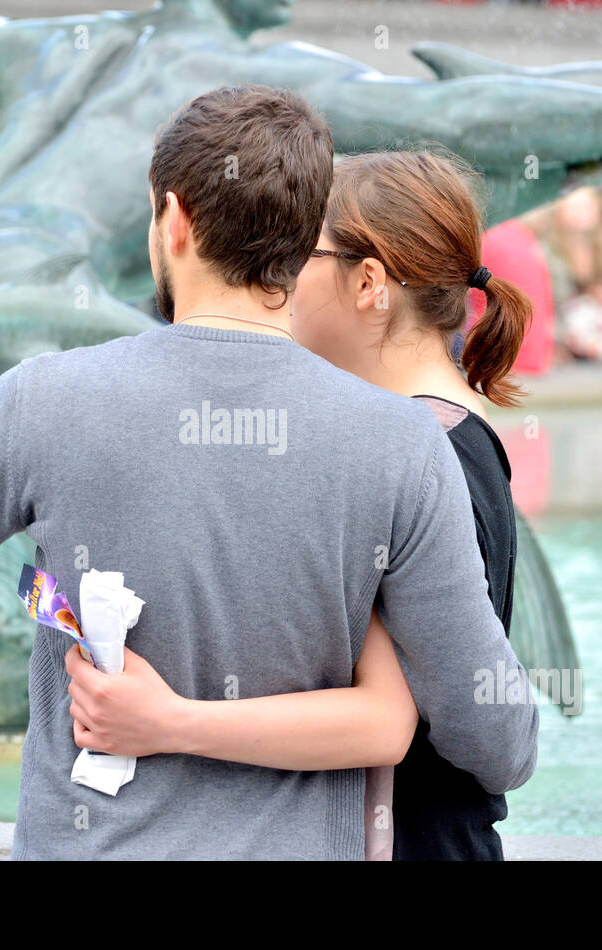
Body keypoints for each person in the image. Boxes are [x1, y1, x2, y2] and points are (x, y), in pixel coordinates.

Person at [0, 85, 538, 860]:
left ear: (174, 219)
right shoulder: (406, 444)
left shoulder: (43, 400)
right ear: (304, 232)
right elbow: (499, 741)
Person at [64, 148, 535, 860]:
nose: (274, 279)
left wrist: (167, 721)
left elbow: (473, 730)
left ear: (369, 283)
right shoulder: (451, 439)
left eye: (300, 256)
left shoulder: (419, 455)